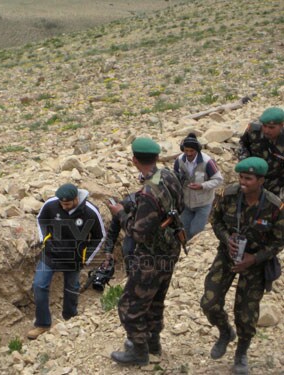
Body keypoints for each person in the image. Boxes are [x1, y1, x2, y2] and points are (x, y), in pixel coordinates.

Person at [200, 157, 283, 375]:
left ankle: (241, 353)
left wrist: (254, 259)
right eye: (241, 177)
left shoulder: (274, 207)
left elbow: (278, 241)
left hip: (255, 264)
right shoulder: (229, 195)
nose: (243, 182)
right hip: (227, 256)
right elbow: (215, 221)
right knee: (209, 302)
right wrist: (227, 240)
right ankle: (225, 332)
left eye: (248, 178)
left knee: (246, 314)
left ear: (261, 180)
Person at [109, 137, 184, 366]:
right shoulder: (169, 176)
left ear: (134, 160)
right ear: (157, 157)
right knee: (156, 299)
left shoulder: (149, 193)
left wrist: (121, 213)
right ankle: (153, 343)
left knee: (130, 305)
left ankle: (138, 351)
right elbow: (178, 206)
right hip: (171, 248)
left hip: (151, 256)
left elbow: (138, 233)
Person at [27, 183, 106, 340]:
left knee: (71, 289)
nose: (64, 207)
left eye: (68, 204)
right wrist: (45, 239)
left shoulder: (90, 211)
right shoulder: (51, 204)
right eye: (62, 204)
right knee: (39, 285)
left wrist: (86, 257)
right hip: (51, 253)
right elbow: (41, 219)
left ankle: (70, 319)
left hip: (74, 257)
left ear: (76, 199)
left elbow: (99, 236)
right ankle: (42, 324)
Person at [174, 133, 223, 240]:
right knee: (184, 232)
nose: (189, 153)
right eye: (186, 151)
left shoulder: (207, 162)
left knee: (196, 232)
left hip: (203, 204)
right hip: (186, 204)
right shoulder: (179, 161)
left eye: (191, 151)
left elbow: (219, 180)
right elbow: (175, 177)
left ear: (197, 150)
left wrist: (202, 186)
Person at [238, 107, 283, 199]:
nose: (266, 130)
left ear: (281, 125)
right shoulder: (253, 130)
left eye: (271, 127)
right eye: (264, 126)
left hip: (277, 180)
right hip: (253, 177)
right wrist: (245, 162)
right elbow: (243, 145)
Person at [103, 194, 137, 275]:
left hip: (145, 228)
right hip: (131, 231)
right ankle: (130, 274)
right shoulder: (121, 209)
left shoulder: (134, 205)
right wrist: (108, 251)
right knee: (127, 249)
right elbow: (112, 232)